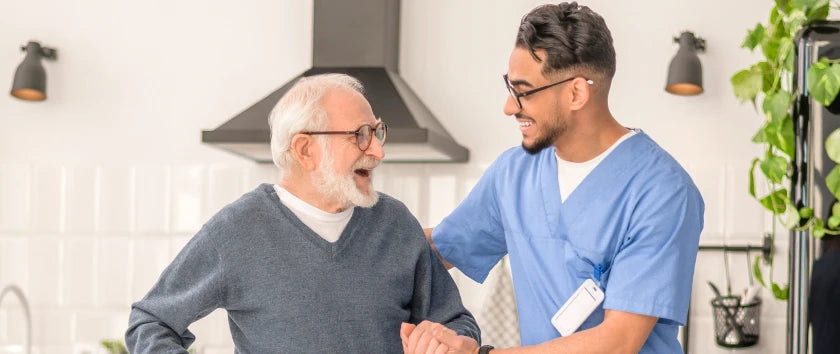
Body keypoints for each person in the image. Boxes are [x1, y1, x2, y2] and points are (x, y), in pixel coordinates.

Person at [400, 2, 704, 353]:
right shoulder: (514, 174)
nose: (509, 107)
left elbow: (618, 342)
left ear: (576, 92)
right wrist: (343, 236)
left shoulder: (663, 192)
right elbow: (437, 248)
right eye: (510, 88)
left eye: (524, 91)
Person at [125, 73, 479, 353]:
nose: (377, 151)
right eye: (360, 134)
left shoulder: (396, 223)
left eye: (376, 132)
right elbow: (151, 322)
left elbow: (457, 322)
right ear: (306, 149)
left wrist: (444, 343)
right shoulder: (237, 231)